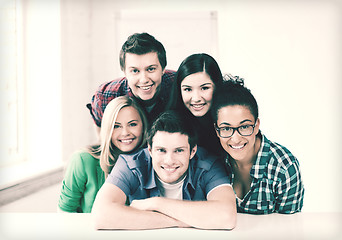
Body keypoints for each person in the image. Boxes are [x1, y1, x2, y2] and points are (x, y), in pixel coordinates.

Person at [91, 111, 237, 230]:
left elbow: (227, 216)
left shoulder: (208, 164)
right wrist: (179, 221)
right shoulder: (130, 164)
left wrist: (156, 203)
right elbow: (100, 215)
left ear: (192, 151)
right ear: (150, 150)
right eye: (161, 150)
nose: (169, 161)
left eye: (179, 151)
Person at [211, 78, 304, 214]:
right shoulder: (213, 161)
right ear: (216, 130)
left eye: (244, 127)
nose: (236, 139)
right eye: (226, 128)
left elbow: (290, 227)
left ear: (256, 126)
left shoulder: (284, 167)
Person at [58, 96, 148, 213]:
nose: (125, 133)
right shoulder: (84, 160)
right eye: (116, 126)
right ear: (107, 128)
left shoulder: (152, 161)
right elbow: (65, 211)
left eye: (132, 124)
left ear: (143, 126)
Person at [88, 32, 176, 135]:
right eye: (135, 71)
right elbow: (101, 131)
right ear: (124, 72)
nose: (144, 79)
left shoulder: (179, 84)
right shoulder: (106, 95)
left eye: (151, 69)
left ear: (163, 69)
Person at [167, 53, 224, 156]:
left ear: (217, 86)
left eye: (204, 88)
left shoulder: (229, 119)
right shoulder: (170, 126)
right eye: (188, 89)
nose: (196, 98)